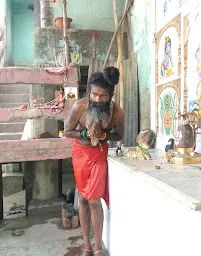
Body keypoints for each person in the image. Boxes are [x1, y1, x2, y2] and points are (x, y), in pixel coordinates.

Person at [64, 66, 124, 256]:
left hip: (98, 155)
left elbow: (120, 135)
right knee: (82, 198)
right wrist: (84, 133)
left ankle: (97, 248)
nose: (98, 99)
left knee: (95, 201)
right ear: (89, 92)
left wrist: (103, 135)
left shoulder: (117, 113)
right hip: (80, 154)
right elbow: (67, 132)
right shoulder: (79, 106)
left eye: (103, 96)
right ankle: (86, 246)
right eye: (94, 94)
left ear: (111, 95)